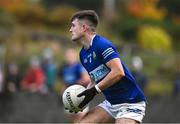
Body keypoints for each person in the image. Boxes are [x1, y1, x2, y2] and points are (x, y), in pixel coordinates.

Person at [68, 10, 146, 124]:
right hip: (111, 103)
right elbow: (94, 79)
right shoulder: (83, 54)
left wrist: (94, 91)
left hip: (130, 103)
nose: (70, 30)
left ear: (84, 27)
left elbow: (118, 72)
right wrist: (81, 97)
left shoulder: (102, 45)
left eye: (73, 26)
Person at [59, 48, 91, 123]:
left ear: (75, 56)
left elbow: (86, 79)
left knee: (81, 119)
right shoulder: (65, 68)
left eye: (71, 56)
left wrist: (74, 85)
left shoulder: (79, 67)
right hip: (69, 97)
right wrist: (61, 93)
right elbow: (64, 83)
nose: (69, 57)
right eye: (67, 56)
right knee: (71, 120)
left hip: (79, 96)